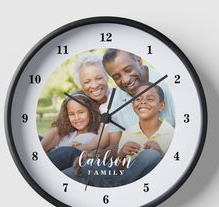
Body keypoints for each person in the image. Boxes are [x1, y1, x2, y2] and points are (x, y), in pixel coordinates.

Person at [63, 49, 175, 187]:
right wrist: (95, 154)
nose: (126, 80)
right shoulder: (116, 97)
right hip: (122, 168)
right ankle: (118, 187)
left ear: (138, 60)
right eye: (116, 77)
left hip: (154, 167)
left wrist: (161, 152)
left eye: (128, 70)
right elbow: (114, 147)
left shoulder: (169, 86)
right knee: (79, 169)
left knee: (150, 156)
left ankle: (115, 188)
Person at [117, 83, 174, 184]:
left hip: (157, 184)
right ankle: (115, 185)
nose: (143, 102)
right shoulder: (128, 133)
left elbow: (175, 169)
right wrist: (121, 155)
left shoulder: (171, 134)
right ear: (133, 105)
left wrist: (160, 153)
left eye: (150, 99)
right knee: (89, 166)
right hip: (129, 182)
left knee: (151, 155)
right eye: (138, 99)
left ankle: (113, 185)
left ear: (161, 106)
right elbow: (121, 169)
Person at [41, 92, 100, 170]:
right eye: (71, 114)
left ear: (90, 112)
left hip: (66, 163)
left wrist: (78, 148)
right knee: (37, 138)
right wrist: (55, 130)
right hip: (50, 160)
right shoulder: (67, 133)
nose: (76, 118)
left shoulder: (92, 137)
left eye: (81, 112)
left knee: (69, 151)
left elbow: (93, 151)